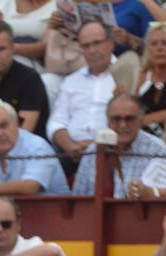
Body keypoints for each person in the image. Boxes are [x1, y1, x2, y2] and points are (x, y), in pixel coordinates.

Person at [46, 21, 114, 167]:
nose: (92, 50)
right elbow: (56, 122)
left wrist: (95, 145)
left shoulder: (126, 73)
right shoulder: (72, 81)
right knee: (41, 158)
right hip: (72, 152)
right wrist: (70, 146)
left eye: (97, 43)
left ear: (110, 44)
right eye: (86, 46)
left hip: (111, 150)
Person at [75, 93, 166, 198]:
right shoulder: (93, 152)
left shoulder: (159, 151)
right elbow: (78, 198)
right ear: (108, 121)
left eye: (129, 119)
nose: (122, 125)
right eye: (116, 119)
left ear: (141, 120)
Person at [0, 0, 53, 71]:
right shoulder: (3, 3)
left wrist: (12, 48)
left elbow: (48, 47)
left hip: (37, 63)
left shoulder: (58, 5)